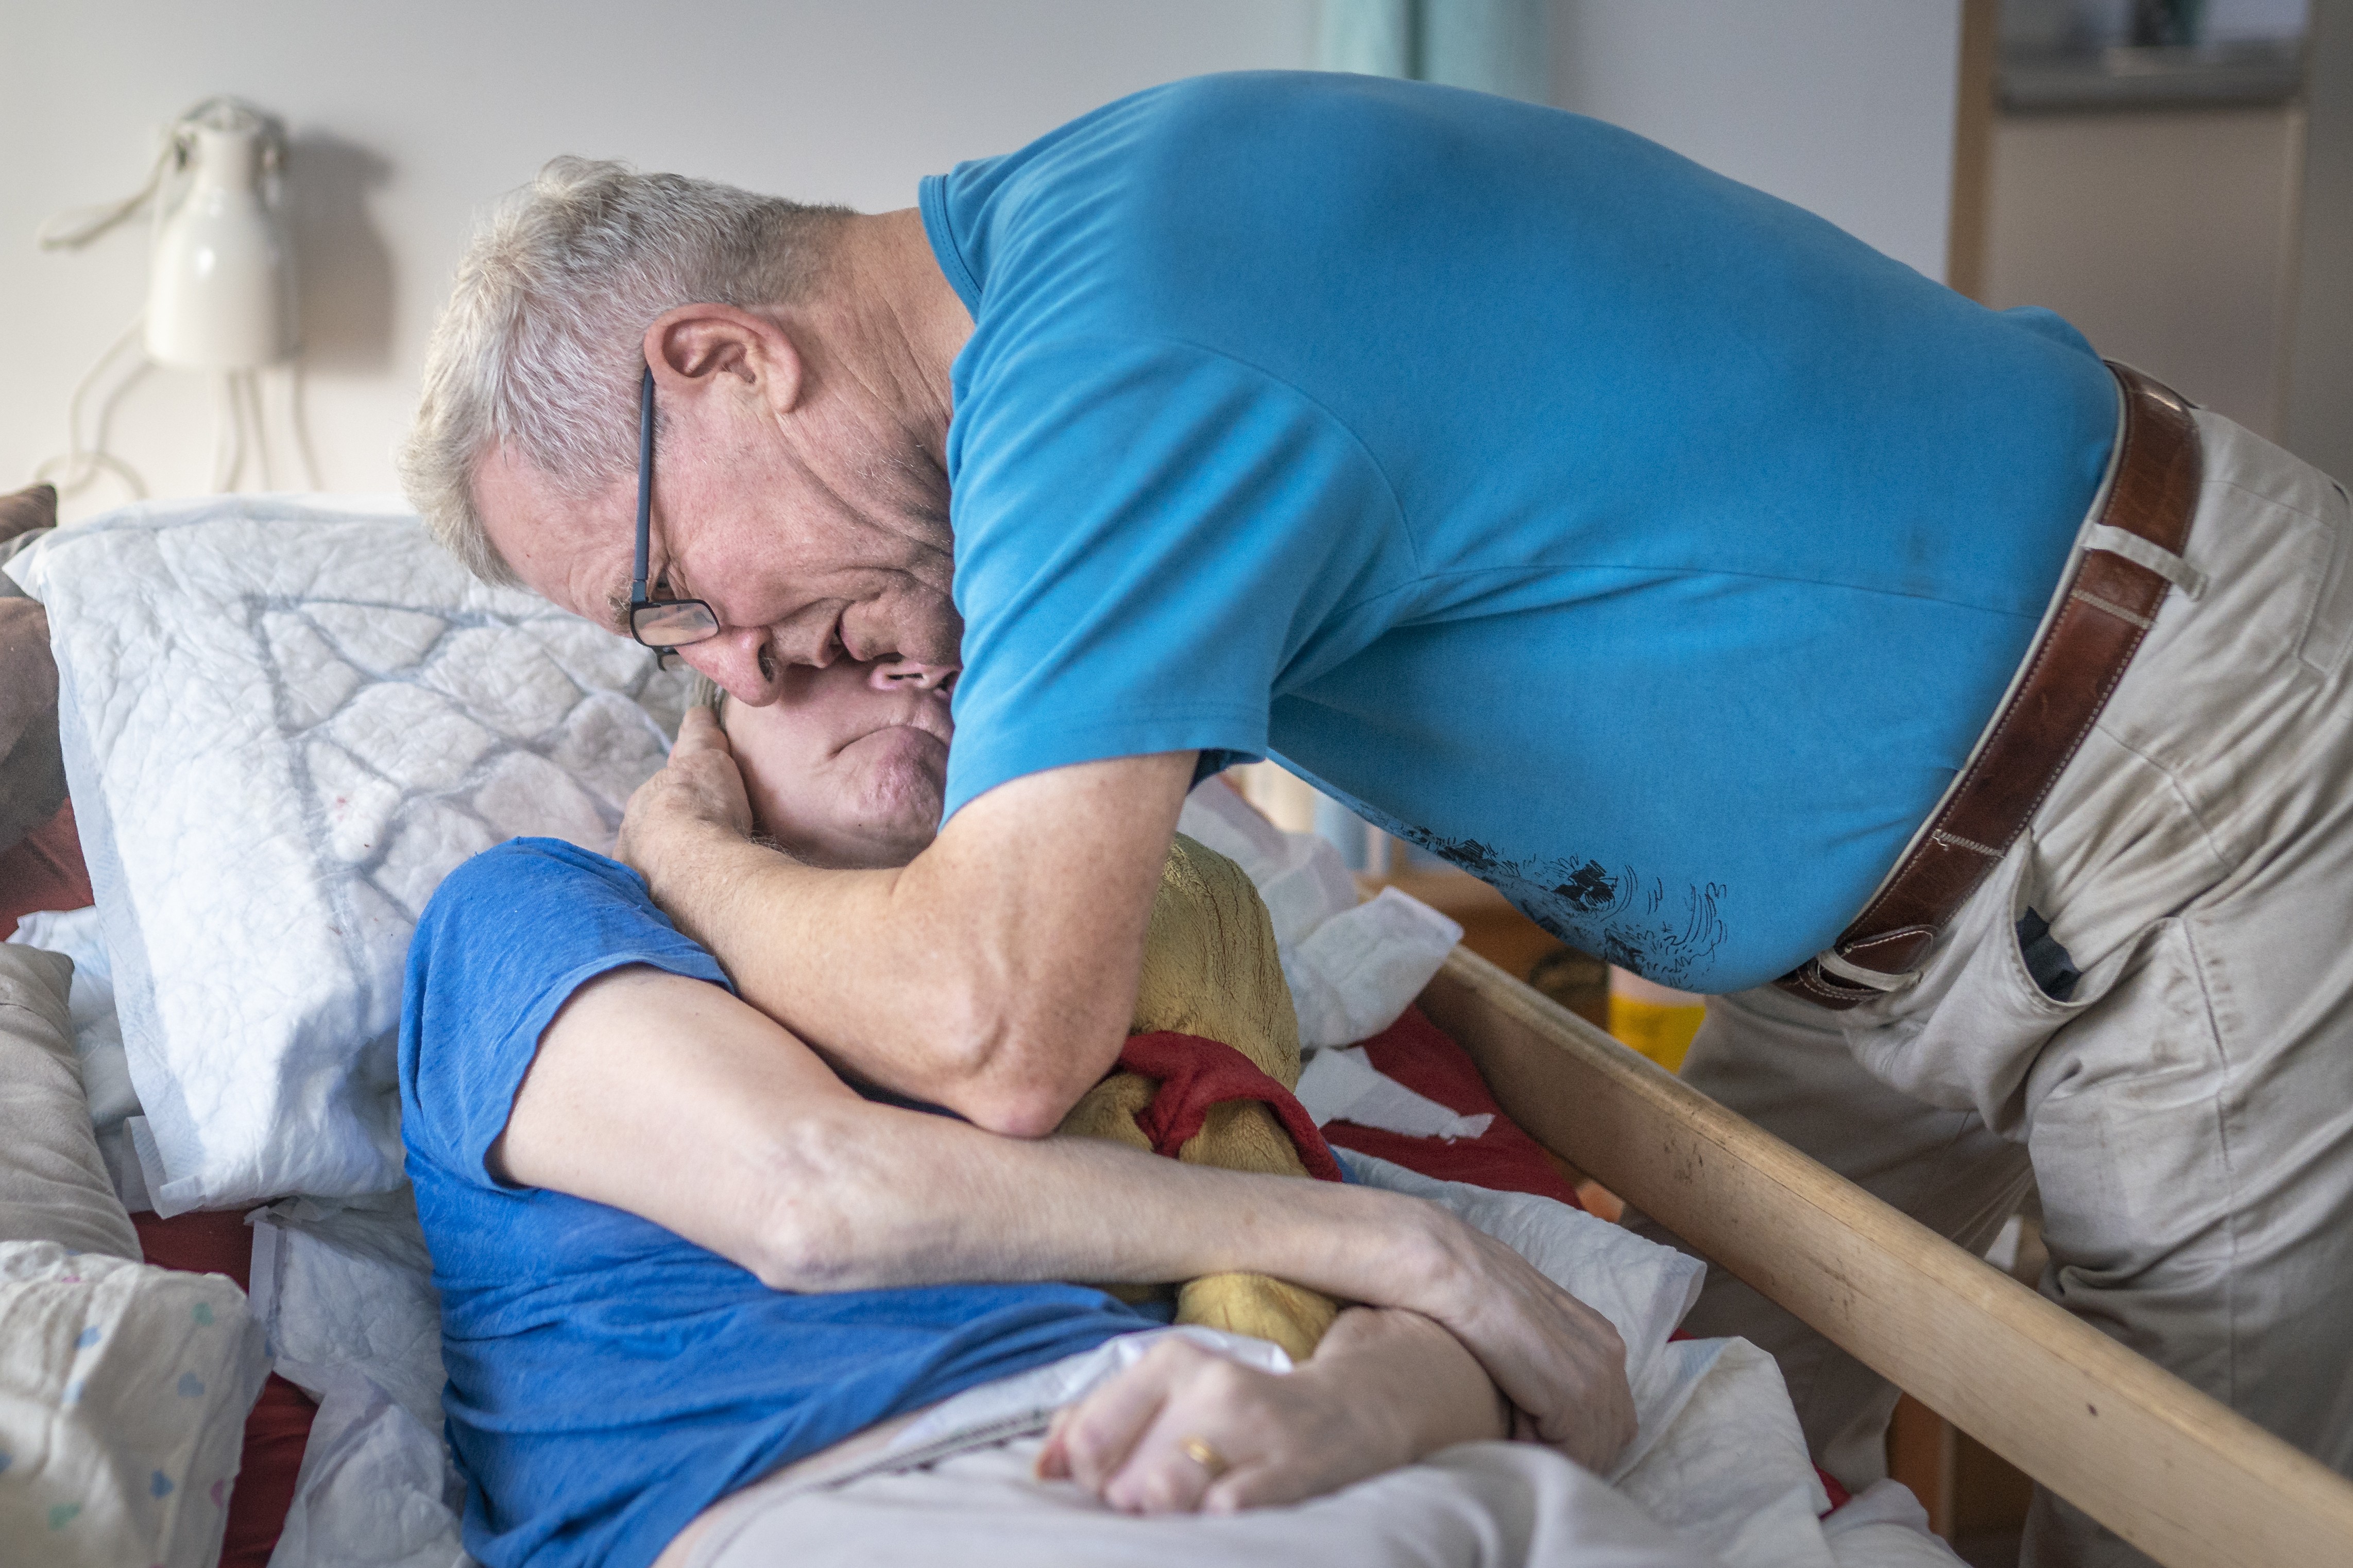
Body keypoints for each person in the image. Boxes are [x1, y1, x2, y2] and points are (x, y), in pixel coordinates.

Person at [399, 71, 2353, 1565]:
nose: (725, 670)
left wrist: (686, 852)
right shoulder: (1061, 313)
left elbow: (1000, 1027)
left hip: (2163, 783)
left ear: (726, 360)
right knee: (1680, 1408)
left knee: (2178, 1511)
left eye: (667, 594)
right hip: (1861, 941)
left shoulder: (1110, 357)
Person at [399, 645, 1651, 1568]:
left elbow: (1491, 1348)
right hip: (856, 1499)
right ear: (711, 682)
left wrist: (1351, 1400)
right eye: (830, 633)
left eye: (968, 635)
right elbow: (818, 1193)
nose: (913, 666)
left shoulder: (1108, 984)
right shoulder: (541, 908)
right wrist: (1412, 1250)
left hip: (1266, 1461)